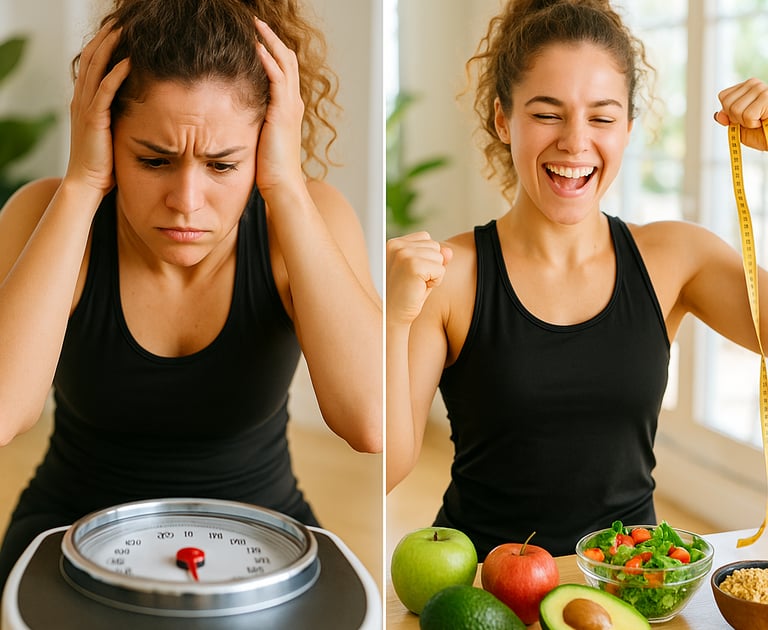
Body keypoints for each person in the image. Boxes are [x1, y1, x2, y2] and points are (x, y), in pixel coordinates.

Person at [0, 0, 381, 589]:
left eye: (223, 165)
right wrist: (80, 184)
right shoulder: (44, 214)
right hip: (70, 532)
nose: (186, 200)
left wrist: (284, 184)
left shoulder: (308, 219)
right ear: (105, 135)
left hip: (265, 534)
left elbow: (371, 421)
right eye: (153, 159)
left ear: (263, 144)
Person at [386, 0, 768, 559]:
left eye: (602, 117)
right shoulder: (448, 275)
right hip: (485, 595)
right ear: (502, 118)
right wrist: (395, 321)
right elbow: (389, 466)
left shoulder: (676, 257)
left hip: (634, 581)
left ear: (629, 128)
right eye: (546, 113)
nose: (575, 140)